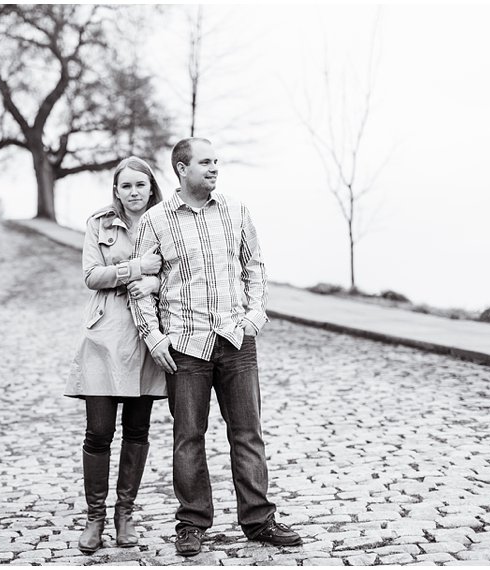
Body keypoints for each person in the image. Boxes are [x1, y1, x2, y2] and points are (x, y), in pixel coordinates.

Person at [129, 138, 302, 557]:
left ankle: (259, 520)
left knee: (248, 434)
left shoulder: (237, 211)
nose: (214, 168)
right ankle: (191, 523)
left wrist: (253, 319)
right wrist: (154, 338)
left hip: (235, 341)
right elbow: (140, 290)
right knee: (188, 437)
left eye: (216, 161)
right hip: (185, 346)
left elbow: (255, 268)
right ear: (181, 169)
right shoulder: (155, 222)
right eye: (205, 162)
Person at [65, 156, 168, 554]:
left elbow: (177, 273)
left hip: (146, 339)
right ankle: (95, 517)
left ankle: (125, 514)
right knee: (99, 431)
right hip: (103, 339)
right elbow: (91, 276)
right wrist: (134, 268)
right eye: (126, 186)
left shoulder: (165, 222)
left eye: (140, 185)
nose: (134, 192)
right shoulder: (99, 225)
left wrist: (155, 280)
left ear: (150, 187)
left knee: (137, 431)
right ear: (116, 191)